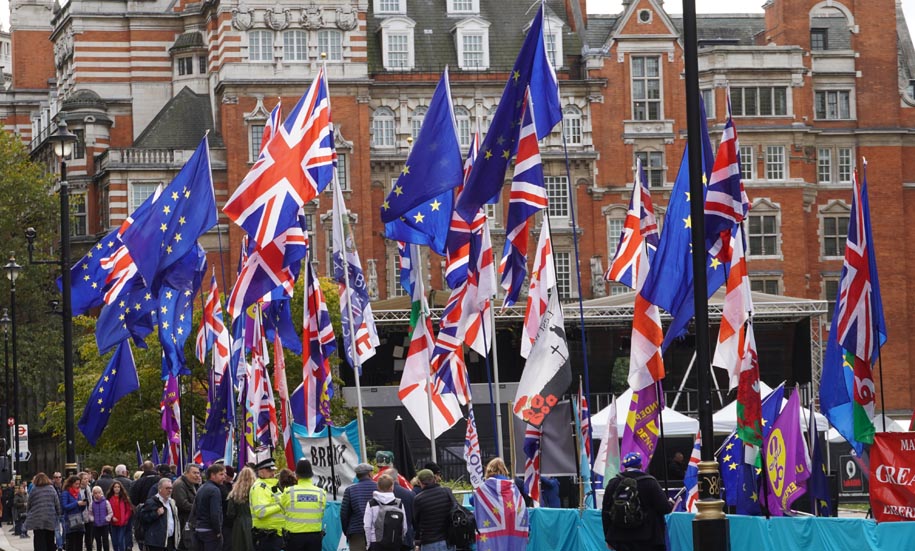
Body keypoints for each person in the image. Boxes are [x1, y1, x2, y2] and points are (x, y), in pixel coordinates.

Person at [601, 452, 671, 551]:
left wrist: (608, 538)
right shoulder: (650, 482)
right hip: (648, 538)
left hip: (620, 537)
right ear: (641, 465)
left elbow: (605, 512)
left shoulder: (613, 483)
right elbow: (665, 508)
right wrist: (671, 503)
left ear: (624, 466)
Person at [473, 458, 529, 551]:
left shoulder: (484, 487)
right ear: (504, 469)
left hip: (494, 528)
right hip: (512, 525)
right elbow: (521, 505)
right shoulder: (512, 486)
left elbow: (473, 500)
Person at [281, 459, 325, 551]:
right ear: (311, 475)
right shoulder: (321, 493)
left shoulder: (288, 492)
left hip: (294, 539)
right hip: (315, 538)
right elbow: (322, 511)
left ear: (296, 476)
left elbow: (283, 511)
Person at [362, 474, 406, 551]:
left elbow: (367, 526)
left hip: (375, 542)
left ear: (378, 486)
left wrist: (368, 544)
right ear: (392, 487)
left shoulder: (371, 503)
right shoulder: (399, 503)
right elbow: (404, 527)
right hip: (394, 542)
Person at [412, 469, 452, 551]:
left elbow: (416, 522)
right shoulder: (447, 492)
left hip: (429, 542)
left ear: (420, 482)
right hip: (449, 540)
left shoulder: (418, 499)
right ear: (434, 479)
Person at [249, 458, 284, 551]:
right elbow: (260, 512)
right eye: (269, 470)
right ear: (260, 472)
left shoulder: (271, 486)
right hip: (267, 536)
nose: (272, 473)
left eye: (273, 470)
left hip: (276, 534)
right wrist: (280, 505)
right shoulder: (259, 488)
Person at [340, 463, 377, 551]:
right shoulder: (378, 487)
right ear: (369, 474)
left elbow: (344, 514)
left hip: (356, 532)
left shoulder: (350, 490)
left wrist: (347, 531)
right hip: (376, 532)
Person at [141, 478, 181, 551]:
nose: (170, 490)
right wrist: (156, 513)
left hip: (170, 540)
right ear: (160, 489)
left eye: (171, 488)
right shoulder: (151, 502)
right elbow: (143, 518)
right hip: (157, 543)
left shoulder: (171, 502)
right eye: (167, 488)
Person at [194, 464, 227, 551]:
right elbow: (215, 513)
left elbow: (195, 509)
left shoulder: (201, 488)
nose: (224, 477)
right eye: (221, 474)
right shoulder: (214, 490)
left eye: (224, 474)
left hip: (199, 529)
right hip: (210, 531)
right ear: (212, 475)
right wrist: (218, 531)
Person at [25, 473, 60, 551]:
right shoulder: (51, 488)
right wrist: (58, 514)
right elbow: (57, 503)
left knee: (39, 540)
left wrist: (28, 515)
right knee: (50, 539)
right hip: (50, 518)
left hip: (37, 519)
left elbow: (29, 504)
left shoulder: (34, 489)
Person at [382, 469, 414, 549]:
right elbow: (415, 518)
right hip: (406, 538)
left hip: (386, 538)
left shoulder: (380, 496)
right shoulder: (410, 494)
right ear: (397, 478)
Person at [172, 464, 201, 551]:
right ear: (186, 473)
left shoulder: (193, 484)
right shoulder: (179, 484)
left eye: (198, 473)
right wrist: (200, 508)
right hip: (183, 522)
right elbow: (182, 504)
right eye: (194, 473)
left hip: (190, 521)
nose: (197, 475)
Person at [226, 467, 255, 551]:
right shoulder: (256, 490)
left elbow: (230, 513)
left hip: (238, 524)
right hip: (253, 522)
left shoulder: (234, 493)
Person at [61, 474, 88, 551]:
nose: (77, 486)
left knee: (79, 543)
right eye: (76, 484)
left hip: (79, 520)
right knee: (71, 544)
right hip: (70, 521)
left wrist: (83, 505)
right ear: (71, 483)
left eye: (78, 484)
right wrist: (76, 503)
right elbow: (65, 507)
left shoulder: (78, 493)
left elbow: (80, 509)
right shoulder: (65, 493)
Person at [106, 481, 133, 551]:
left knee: (121, 540)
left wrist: (125, 519)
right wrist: (112, 517)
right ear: (112, 488)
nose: (117, 488)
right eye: (115, 487)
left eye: (118, 487)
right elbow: (107, 510)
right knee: (114, 541)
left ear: (121, 488)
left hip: (122, 522)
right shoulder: (109, 498)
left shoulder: (124, 498)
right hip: (113, 523)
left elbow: (128, 510)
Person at [88, 486, 113, 551]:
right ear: (93, 494)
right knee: (98, 541)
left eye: (99, 493)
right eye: (95, 493)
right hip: (96, 525)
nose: (97, 494)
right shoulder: (92, 503)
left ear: (101, 493)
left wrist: (107, 518)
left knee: (105, 541)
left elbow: (110, 512)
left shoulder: (106, 502)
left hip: (105, 524)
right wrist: (92, 519)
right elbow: (90, 513)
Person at [80, 472, 95, 551]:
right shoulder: (78, 489)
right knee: (80, 536)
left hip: (89, 514)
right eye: (84, 479)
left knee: (89, 536)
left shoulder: (88, 488)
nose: (86, 480)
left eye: (87, 478)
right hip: (80, 515)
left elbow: (91, 500)